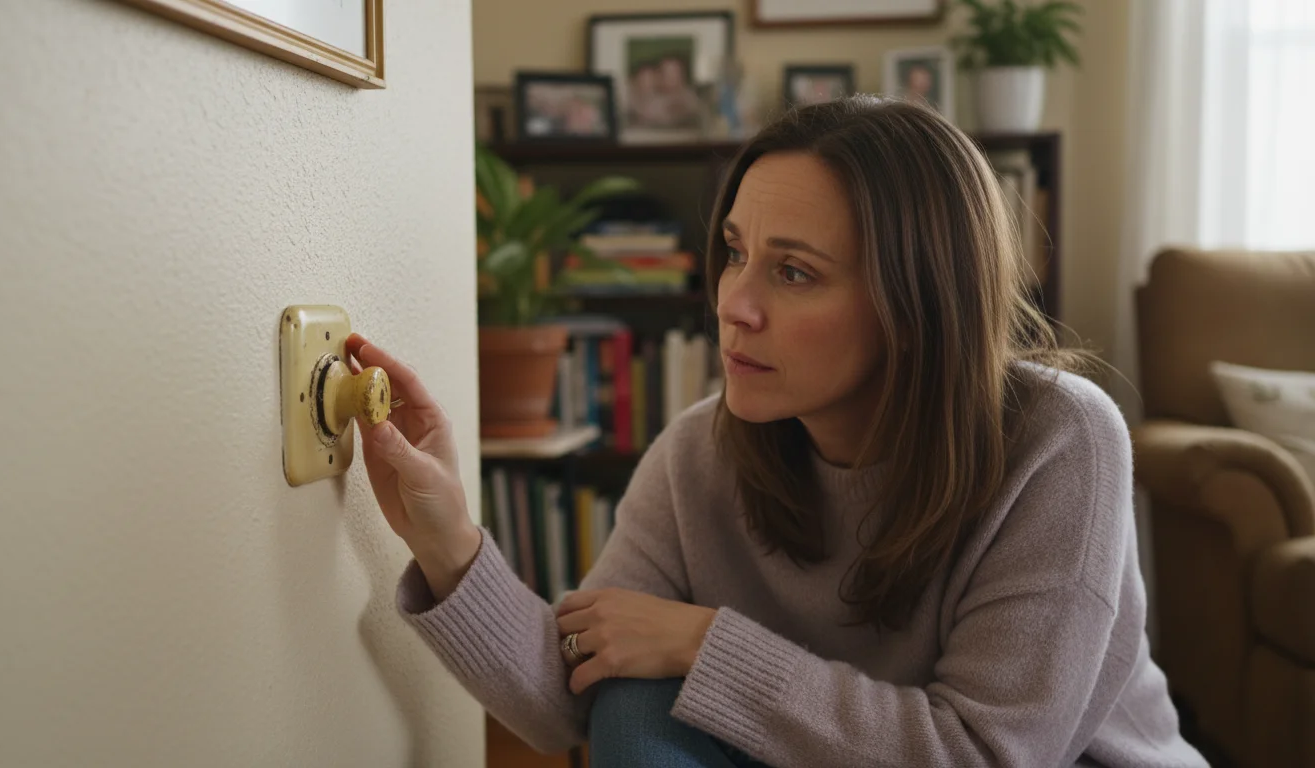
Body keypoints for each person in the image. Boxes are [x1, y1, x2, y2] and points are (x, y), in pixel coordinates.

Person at [349, 96, 1208, 767]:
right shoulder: (697, 452)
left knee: (668, 680)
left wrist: (700, 642)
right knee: (633, 699)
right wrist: (448, 540)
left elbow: (989, 754)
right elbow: (564, 699)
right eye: (734, 252)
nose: (734, 304)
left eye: (794, 272)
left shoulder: (1061, 438)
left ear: (916, 305)